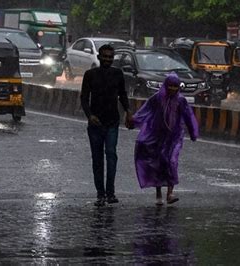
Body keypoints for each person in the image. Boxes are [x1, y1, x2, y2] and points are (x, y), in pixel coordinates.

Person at [129, 72, 199, 205]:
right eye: (170, 86)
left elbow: (188, 116)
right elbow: (145, 110)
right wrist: (133, 121)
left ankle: (170, 193)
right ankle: (159, 193)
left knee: (171, 161)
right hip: (157, 136)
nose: (173, 89)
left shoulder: (181, 101)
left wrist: (193, 132)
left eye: (175, 86)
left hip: (175, 137)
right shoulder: (157, 98)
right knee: (159, 162)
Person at [81, 44, 132, 207]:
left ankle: (111, 193)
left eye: (110, 57)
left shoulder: (118, 74)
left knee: (111, 155)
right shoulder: (90, 75)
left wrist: (128, 111)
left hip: (112, 122)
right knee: (97, 159)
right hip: (96, 124)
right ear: (99, 57)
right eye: (105, 57)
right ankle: (100, 194)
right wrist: (90, 116)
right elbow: (84, 98)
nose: (108, 60)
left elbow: (122, 94)